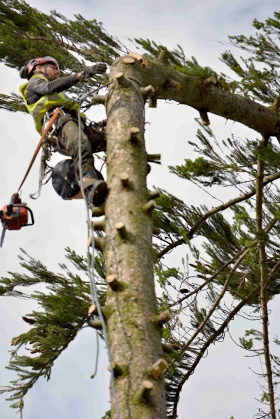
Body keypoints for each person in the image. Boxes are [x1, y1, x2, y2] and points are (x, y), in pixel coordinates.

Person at [19, 56, 108, 206]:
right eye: (53, 67)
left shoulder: (51, 88)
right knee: (80, 142)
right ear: (38, 68)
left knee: (108, 137)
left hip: (73, 123)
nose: (57, 72)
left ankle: (131, 158)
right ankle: (88, 181)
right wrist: (83, 74)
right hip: (59, 123)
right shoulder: (34, 83)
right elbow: (49, 88)